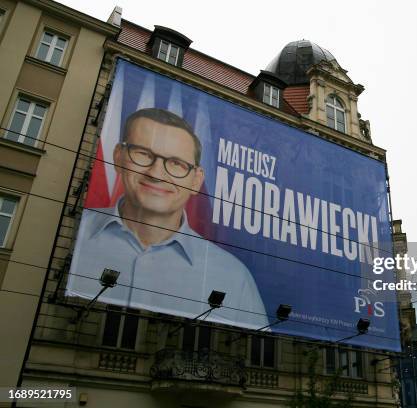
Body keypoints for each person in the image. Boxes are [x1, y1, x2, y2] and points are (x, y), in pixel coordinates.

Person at [67, 108, 269, 329]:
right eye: (143, 153)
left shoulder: (234, 275)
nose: (156, 173)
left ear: (196, 180)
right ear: (118, 157)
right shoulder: (71, 231)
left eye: (176, 164)